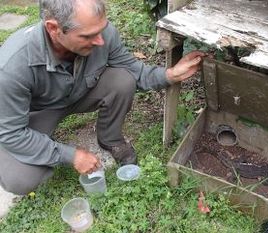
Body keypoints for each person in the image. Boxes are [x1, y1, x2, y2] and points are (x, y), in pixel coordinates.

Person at [0, 0, 205, 195]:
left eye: (101, 30)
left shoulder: (102, 33)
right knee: (21, 178)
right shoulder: (12, 67)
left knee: (123, 80)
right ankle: (42, 142)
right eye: (88, 36)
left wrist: (171, 75)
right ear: (54, 29)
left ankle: (109, 138)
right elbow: (12, 134)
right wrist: (70, 155)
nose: (100, 41)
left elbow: (134, 72)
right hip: (38, 111)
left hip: (78, 94)